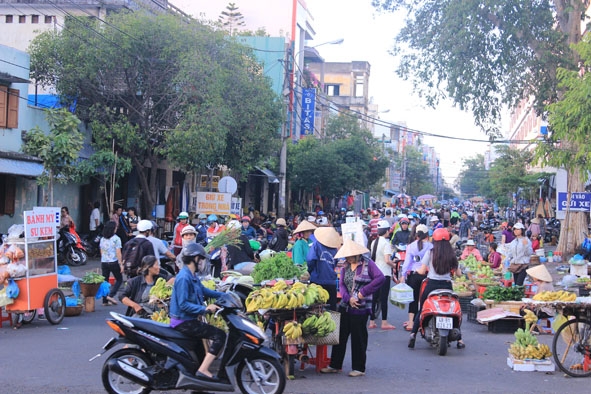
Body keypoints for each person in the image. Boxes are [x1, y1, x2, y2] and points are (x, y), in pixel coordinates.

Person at [320, 239, 385, 377]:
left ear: (357, 254)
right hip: (346, 305)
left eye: (350, 256)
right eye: (347, 256)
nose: (348, 259)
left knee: (358, 337)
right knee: (340, 335)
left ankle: (359, 368)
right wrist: (348, 298)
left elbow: (380, 278)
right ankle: (334, 365)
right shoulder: (345, 265)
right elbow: (342, 285)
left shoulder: (368, 264)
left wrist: (363, 293)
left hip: (361, 307)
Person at [169, 243, 226, 381]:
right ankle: (204, 369)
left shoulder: (191, 275)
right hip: (183, 322)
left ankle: (200, 381)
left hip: (190, 320)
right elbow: (183, 305)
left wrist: (223, 294)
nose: (202, 262)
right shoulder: (184, 277)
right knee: (220, 335)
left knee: (199, 359)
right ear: (194, 258)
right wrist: (204, 309)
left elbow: (203, 290)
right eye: (201, 259)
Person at [408, 228, 465, 349]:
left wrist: (417, 271)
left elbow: (422, 270)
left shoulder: (430, 252)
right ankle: (460, 340)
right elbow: (459, 273)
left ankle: (413, 334)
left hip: (431, 285)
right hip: (447, 286)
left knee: (422, 309)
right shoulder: (452, 254)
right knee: (453, 311)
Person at [400, 224, 432, 331]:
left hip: (413, 275)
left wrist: (403, 275)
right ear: (427, 235)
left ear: (417, 235)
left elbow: (407, 262)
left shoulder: (411, 246)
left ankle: (410, 323)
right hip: (427, 275)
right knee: (425, 299)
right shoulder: (431, 246)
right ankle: (423, 322)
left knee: (413, 299)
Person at [368, 220, 396, 330]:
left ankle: (371, 321)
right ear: (387, 231)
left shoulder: (374, 242)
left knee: (374, 298)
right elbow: (387, 260)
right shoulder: (386, 243)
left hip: (375, 273)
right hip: (384, 274)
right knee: (383, 298)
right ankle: (384, 323)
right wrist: (394, 265)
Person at [307, 227, 341, 310]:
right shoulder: (334, 249)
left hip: (317, 281)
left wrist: (310, 271)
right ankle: (334, 323)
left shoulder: (316, 245)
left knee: (315, 308)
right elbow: (335, 262)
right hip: (331, 282)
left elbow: (310, 259)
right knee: (331, 309)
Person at [99, 221, 123, 306]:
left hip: (104, 262)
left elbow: (101, 251)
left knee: (105, 281)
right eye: (116, 228)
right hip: (113, 262)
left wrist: (104, 258)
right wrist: (121, 264)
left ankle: (104, 301)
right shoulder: (116, 239)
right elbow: (118, 252)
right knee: (119, 279)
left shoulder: (102, 239)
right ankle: (111, 295)